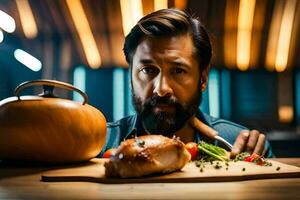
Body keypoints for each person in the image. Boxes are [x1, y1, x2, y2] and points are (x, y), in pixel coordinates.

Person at [100, 8, 273, 158]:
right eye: (148, 70)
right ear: (130, 77)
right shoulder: (98, 145)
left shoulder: (242, 146)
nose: (161, 89)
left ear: (203, 79)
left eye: (178, 71)